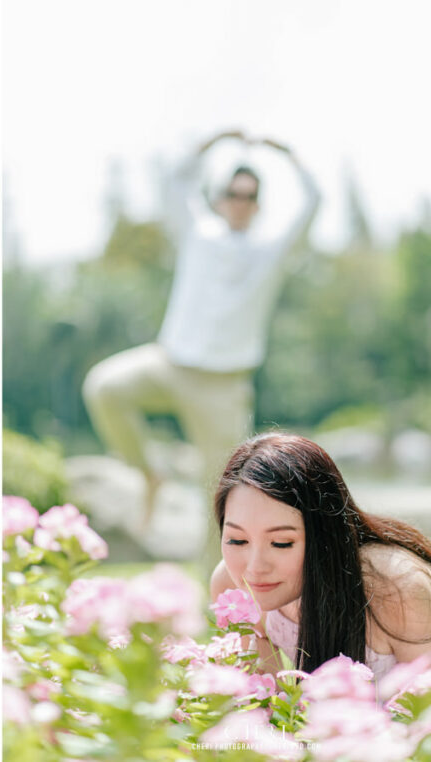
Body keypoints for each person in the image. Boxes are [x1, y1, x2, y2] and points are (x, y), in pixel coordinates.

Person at [82, 129, 320, 569]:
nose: (240, 201)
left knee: (223, 501)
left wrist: (288, 156)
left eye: (249, 195)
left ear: (258, 204)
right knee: (104, 388)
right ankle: (148, 472)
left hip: (222, 387)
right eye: (233, 193)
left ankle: (208, 604)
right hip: (169, 363)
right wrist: (214, 141)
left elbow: (312, 203)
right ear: (220, 198)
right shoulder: (199, 233)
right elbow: (174, 182)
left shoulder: (271, 250)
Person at [209, 433, 431, 680]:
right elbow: (269, 713)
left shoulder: (397, 585)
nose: (254, 567)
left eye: (281, 543)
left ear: (325, 534)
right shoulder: (232, 590)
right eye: (237, 539)